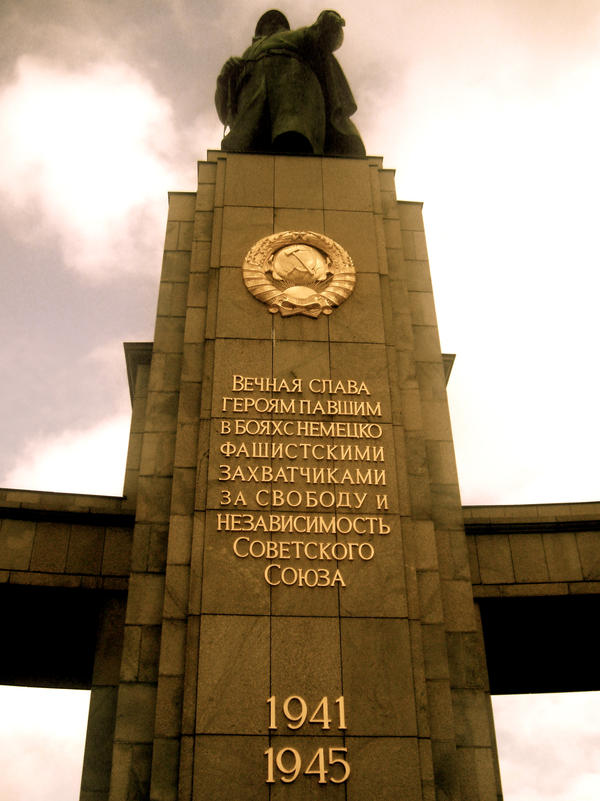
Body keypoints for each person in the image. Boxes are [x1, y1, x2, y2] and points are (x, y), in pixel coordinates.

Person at [215, 9, 365, 156]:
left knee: (292, 133)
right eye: (267, 22)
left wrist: (328, 21)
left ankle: (294, 141)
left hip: (291, 93)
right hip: (253, 101)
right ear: (258, 31)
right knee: (242, 145)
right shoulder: (248, 55)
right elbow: (226, 111)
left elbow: (318, 35)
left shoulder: (294, 37)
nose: (273, 23)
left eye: (278, 21)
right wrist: (226, 76)